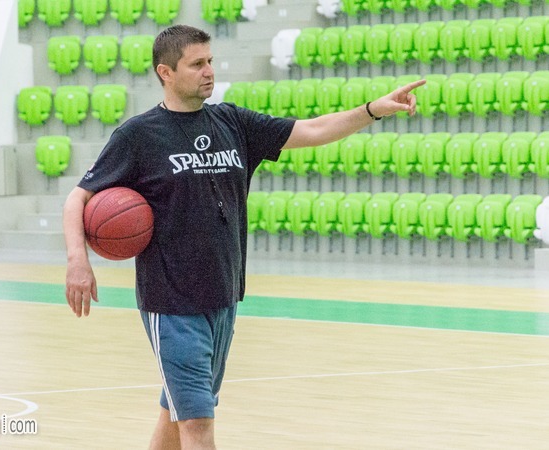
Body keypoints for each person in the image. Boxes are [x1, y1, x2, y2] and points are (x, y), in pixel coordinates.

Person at [63, 24, 425, 450]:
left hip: (224, 297)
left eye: (210, 61)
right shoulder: (138, 136)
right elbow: (78, 197)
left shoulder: (233, 122)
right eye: (196, 64)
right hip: (172, 304)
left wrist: (373, 110)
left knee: (177, 413)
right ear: (166, 72)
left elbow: (313, 130)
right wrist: (78, 261)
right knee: (198, 425)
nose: (208, 71)